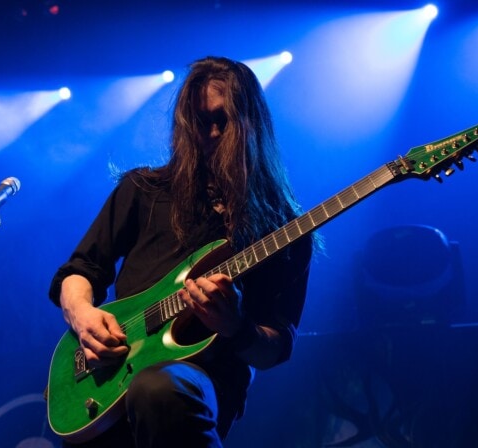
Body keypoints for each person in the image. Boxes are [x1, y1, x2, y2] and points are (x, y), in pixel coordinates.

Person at [48, 56, 313, 447]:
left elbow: (276, 348)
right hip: (113, 373)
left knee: (157, 388)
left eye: (224, 120)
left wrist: (237, 326)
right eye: (201, 122)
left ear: (252, 123)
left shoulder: (283, 231)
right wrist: (83, 315)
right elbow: (80, 270)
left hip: (201, 380)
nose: (213, 133)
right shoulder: (144, 190)